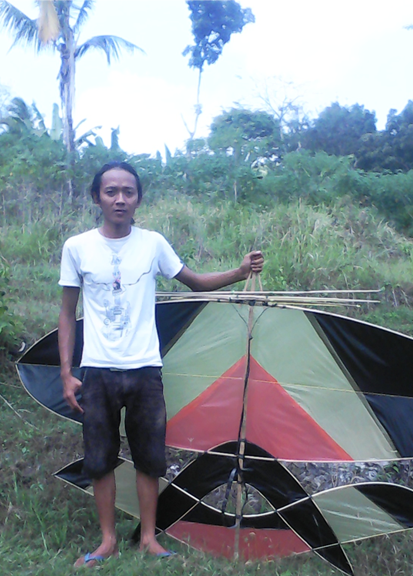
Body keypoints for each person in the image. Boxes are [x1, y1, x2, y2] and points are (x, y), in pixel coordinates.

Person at [58, 161, 264, 568]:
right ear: (97, 197)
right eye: (111, 191)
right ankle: (107, 541)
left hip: (145, 369)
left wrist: (240, 272)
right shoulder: (77, 247)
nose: (120, 199)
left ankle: (149, 539)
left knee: (150, 457)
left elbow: (195, 282)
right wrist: (67, 372)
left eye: (128, 192)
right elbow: (67, 313)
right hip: (97, 370)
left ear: (139, 198)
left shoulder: (152, 244)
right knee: (99, 459)